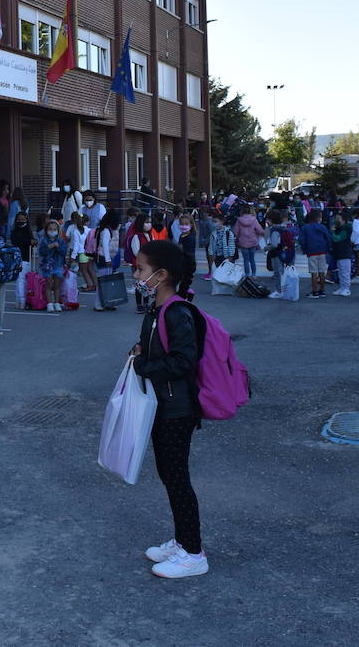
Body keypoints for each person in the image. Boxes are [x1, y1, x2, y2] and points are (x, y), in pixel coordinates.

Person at [129, 239, 208, 579]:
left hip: (177, 409)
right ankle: (181, 541)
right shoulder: (158, 310)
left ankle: (193, 553)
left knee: (177, 478)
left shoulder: (177, 312)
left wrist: (143, 366)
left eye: (140, 269)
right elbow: (159, 349)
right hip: (163, 407)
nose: (136, 274)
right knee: (168, 475)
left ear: (160, 275)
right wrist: (141, 351)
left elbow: (183, 361)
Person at [298, 210, 333, 299]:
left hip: (311, 252)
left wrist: (305, 249)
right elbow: (328, 238)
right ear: (318, 218)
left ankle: (315, 291)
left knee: (313, 273)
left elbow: (301, 240)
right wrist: (328, 248)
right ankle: (322, 291)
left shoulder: (305, 227)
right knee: (322, 272)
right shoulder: (322, 227)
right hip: (322, 251)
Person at [92, 210, 121, 312]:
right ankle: (98, 303)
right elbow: (105, 245)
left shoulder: (105, 229)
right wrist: (109, 259)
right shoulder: (106, 231)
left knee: (107, 282)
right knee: (103, 282)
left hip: (105, 258)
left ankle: (107, 302)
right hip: (104, 258)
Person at [37, 219, 68, 312]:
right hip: (47, 266)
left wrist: (58, 247)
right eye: (50, 229)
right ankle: (49, 303)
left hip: (58, 265)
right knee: (48, 284)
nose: (52, 231)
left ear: (58, 230)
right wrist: (48, 247)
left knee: (57, 285)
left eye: (54, 229)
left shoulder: (60, 240)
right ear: (46, 230)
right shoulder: (44, 240)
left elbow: (64, 251)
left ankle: (57, 302)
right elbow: (41, 252)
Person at [233, 206, 262, 278]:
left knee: (246, 260)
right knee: (252, 259)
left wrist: (236, 239)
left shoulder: (239, 220)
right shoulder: (254, 220)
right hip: (253, 242)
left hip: (243, 242)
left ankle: (247, 274)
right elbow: (260, 230)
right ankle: (254, 274)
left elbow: (236, 232)